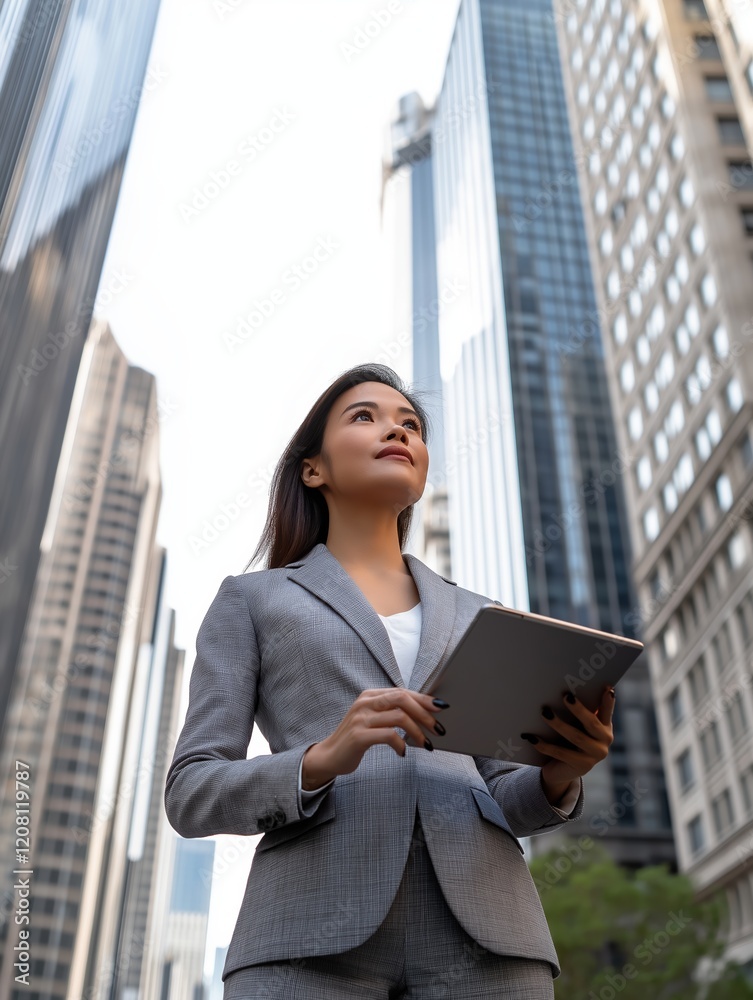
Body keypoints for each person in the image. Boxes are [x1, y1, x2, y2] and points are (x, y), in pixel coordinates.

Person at [164, 363, 616, 999]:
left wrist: (558, 775)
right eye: (365, 417)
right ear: (312, 469)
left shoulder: (481, 615)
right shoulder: (252, 601)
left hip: (489, 941)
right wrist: (322, 757)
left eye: (411, 425)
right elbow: (191, 791)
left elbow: (500, 797)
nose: (396, 431)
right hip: (306, 935)